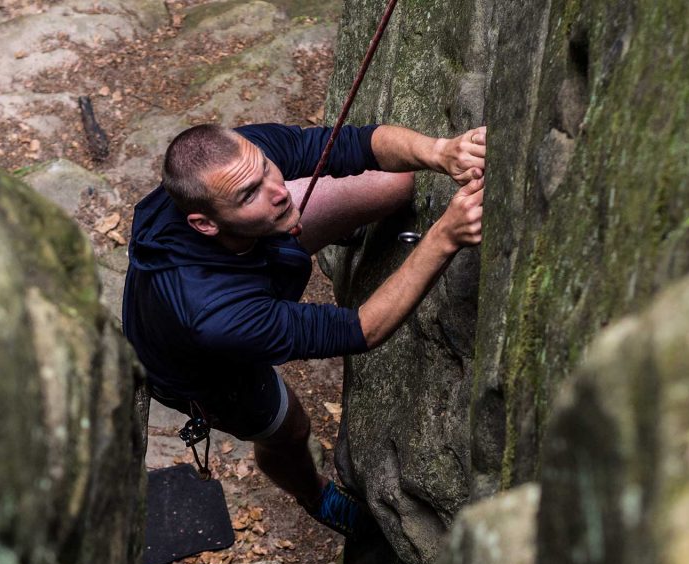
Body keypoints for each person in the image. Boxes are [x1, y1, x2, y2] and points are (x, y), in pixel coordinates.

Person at [122, 122, 485, 536]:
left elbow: (349, 143)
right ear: (205, 224)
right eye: (249, 194)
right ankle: (313, 495)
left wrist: (442, 151)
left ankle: (317, 227)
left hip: (245, 258)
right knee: (291, 430)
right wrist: (444, 236)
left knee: (394, 182)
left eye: (266, 170)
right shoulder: (216, 318)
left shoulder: (238, 163)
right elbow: (361, 329)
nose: (277, 190)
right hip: (211, 372)